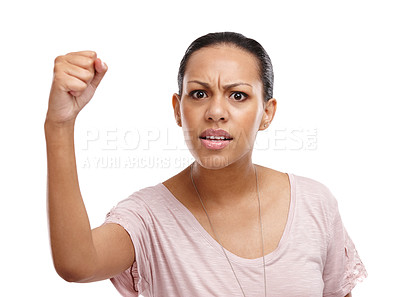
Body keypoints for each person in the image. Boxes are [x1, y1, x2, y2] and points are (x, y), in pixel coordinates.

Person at [44, 32, 367, 297]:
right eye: (199, 94)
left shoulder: (314, 203)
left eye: (237, 96)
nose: (215, 111)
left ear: (267, 112)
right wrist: (60, 125)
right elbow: (77, 264)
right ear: (177, 108)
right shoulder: (147, 217)